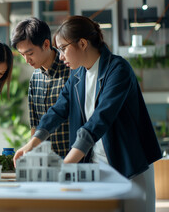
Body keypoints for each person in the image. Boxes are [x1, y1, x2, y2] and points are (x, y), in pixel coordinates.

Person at [13, 15, 162, 212]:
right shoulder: (77, 75)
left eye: (64, 49)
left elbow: (99, 120)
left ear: (82, 43)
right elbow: (58, 110)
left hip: (129, 164)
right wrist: (31, 143)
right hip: (97, 164)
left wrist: (65, 165)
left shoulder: (118, 69)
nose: (61, 56)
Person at [11, 17, 70, 157]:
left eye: (30, 53)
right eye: (22, 55)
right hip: (46, 161)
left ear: (46, 44)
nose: (26, 60)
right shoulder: (35, 78)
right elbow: (34, 124)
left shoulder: (71, 70)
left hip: (73, 159)